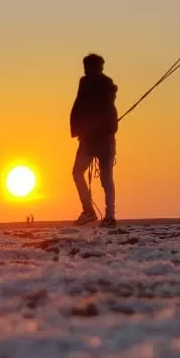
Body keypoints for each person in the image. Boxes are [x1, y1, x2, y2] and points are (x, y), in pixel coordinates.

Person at [70, 53, 119, 227]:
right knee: (85, 174)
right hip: (93, 139)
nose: (86, 70)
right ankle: (97, 213)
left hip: (99, 140)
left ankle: (104, 214)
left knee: (103, 177)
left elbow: (82, 107)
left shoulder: (93, 84)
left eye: (88, 67)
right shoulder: (98, 84)